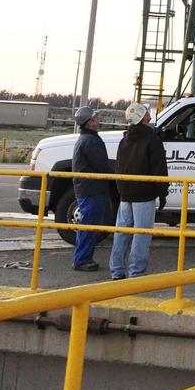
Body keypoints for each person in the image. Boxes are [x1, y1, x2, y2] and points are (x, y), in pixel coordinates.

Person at [109, 102, 168, 280]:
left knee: (122, 232)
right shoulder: (152, 140)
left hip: (126, 194)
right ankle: (137, 272)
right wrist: (162, 192)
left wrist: (121, 190)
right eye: (147, 115)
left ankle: (117, 270)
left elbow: (119, 167)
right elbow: (159, 169)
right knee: (141, 234)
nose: (149, 117)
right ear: (144, 118)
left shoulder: (124, 140)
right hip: (144, 195)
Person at [71, 106, 111, 273]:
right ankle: (81, 260)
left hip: (88, 188)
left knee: (89, 225)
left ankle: (83, 258)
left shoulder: (86, 139)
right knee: (89, 225)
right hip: (92, 189)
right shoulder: (90, 141)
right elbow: (101, 164)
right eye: (94, 119)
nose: (97, 120)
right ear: (88, 123)